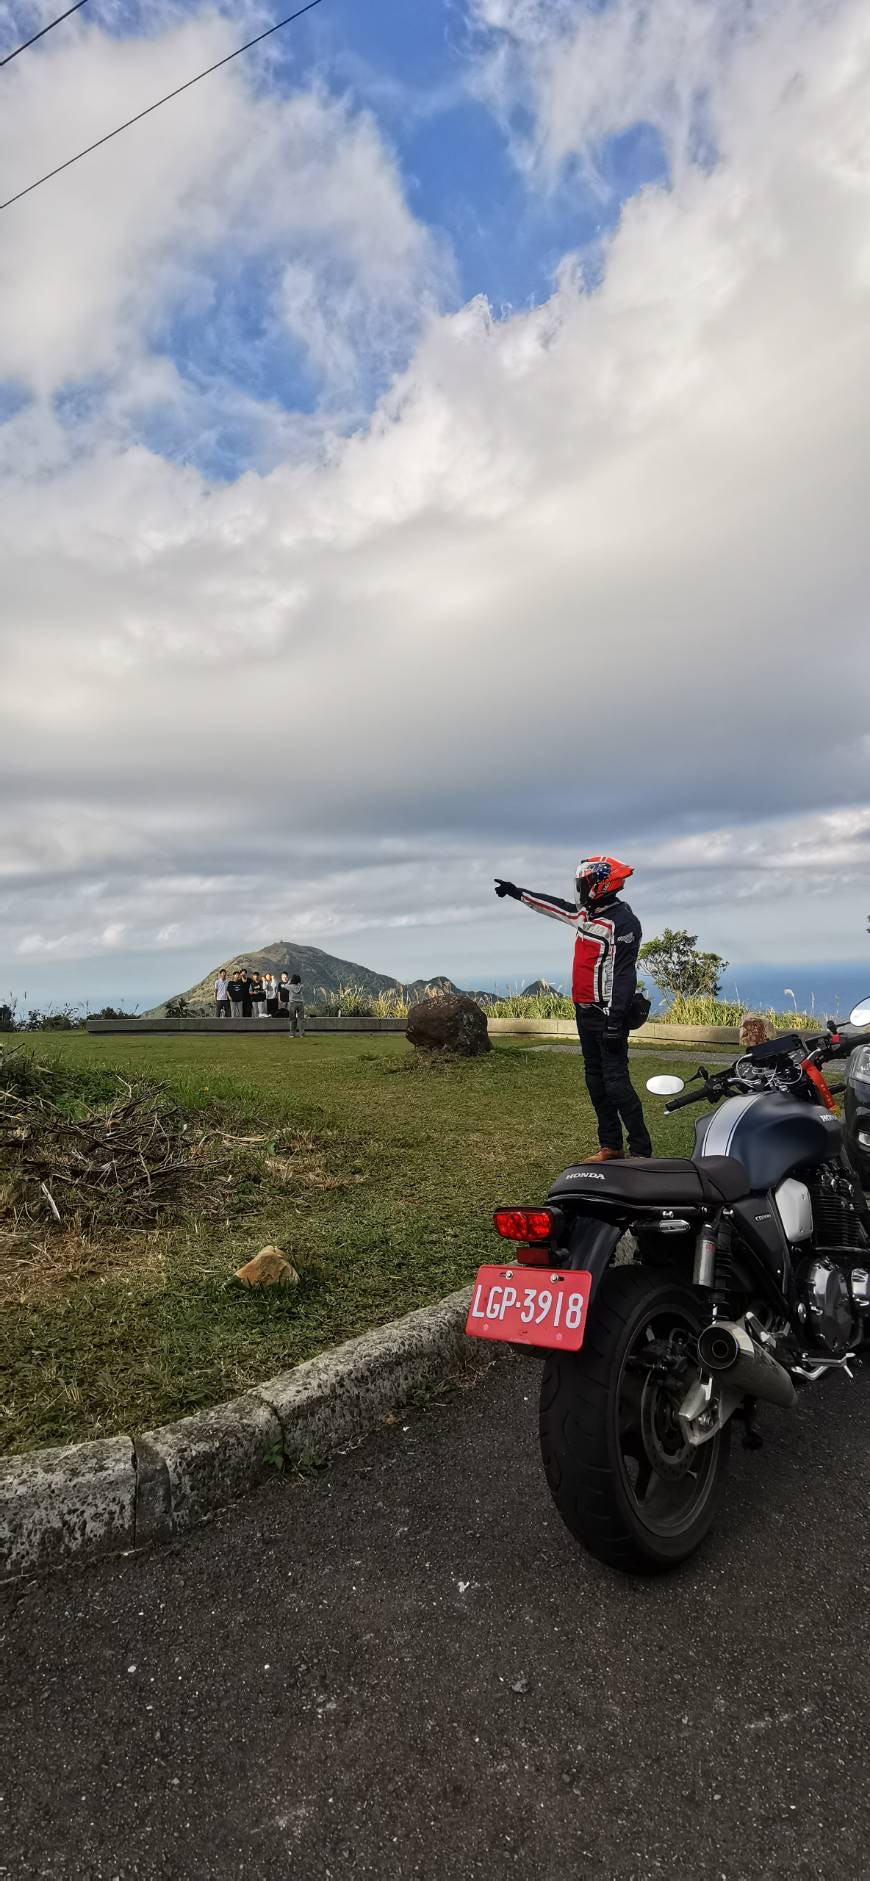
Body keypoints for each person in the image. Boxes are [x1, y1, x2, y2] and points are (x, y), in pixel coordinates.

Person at [494, 855, 652, 1161]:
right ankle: (611, 1146)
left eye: (583, 883)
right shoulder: (585, 915)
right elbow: (553, 906)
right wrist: (516, 892)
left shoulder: (623, 922)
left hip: (608, 1014)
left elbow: (624, 975)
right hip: (584, 1012)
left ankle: (641, 1152)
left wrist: (615, 1020)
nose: (579, 888)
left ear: (600, 885)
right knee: (595, 1082)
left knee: (617, 1084)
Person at [287, 972, 305, 1036]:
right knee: (301, 1019)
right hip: (300, 1003)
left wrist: (289, 982)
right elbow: (301, 984)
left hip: (292, 1003)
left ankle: (292, 1034)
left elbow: (285, 986)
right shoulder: (301, 986)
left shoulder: (290, 986)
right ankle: (301, 1034)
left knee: (292, 1019)